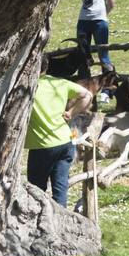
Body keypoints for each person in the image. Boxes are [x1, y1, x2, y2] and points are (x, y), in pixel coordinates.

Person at [26, 55, 93, 206]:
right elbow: (87, 95)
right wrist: (71, 112)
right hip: (66, 142)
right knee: (60, 188)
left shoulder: (29, 86)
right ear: (46, 66)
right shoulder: (59, 83)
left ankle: (40, 222)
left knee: (36, 190)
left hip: (42, 145)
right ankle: (59, 222)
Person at [76, 0, 115, 75]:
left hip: (99, 22)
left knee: (103, 53)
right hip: (83, 21)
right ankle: (85, 85)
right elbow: (85, 1)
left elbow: (111, 2)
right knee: (83, 54)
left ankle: (107, 88)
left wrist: (103, 14)